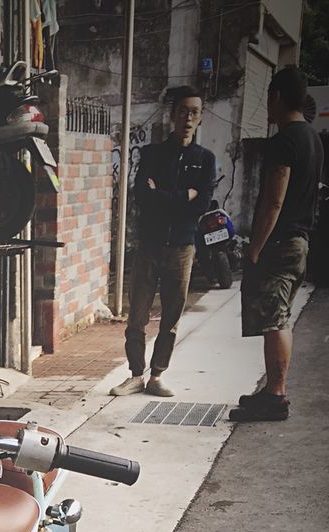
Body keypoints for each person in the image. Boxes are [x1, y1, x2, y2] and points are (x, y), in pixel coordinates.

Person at [230, 66, 323, 422]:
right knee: (276, 318)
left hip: (282, 243)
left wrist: (255, 247)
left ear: (276, 97)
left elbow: (274, 200)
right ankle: (272, 391)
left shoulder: (286, 140)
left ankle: (276, 396)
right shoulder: (312, 138)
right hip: (299, 241)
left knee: (276, 319)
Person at [110, 87, 216, 398]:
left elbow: (202, 204)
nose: (188, 117)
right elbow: (143, 198)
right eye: (183, 110)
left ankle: (157, 375)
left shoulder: (205, 160)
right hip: (150, 246)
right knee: (137, 316)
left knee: (171, 317)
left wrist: (166, 196)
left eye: (194, 112)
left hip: (182, 247)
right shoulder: (153, 154)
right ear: (173, 114)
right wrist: (184, 195)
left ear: (200, 118)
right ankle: (135, 375)